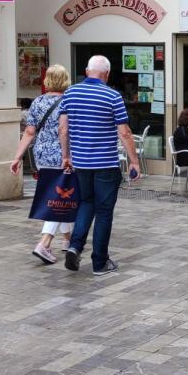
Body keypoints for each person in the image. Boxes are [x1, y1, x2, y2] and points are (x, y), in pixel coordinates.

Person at [60, 55, 140, 276]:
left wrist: (66, 156)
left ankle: (75, 246)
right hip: (105, 164)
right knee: (104, 212)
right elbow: (124, 132)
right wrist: (134, 161)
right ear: (106, 74)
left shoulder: (70, 93)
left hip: (82, 164)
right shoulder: (112, 96)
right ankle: (99, 263)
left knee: (86, 203)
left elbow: (63, 129)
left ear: (87, 71)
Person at [10, 65, 73, 264]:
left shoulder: (37, 102)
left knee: (60, 195)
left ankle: (67, 240)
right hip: (61, 156)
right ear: (65, 80)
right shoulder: (68, 101)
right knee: (59, 200)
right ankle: (44, 244)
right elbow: (64, 131)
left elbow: (29, 132)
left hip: (41, 156)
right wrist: (66, 155)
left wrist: (17, 157)